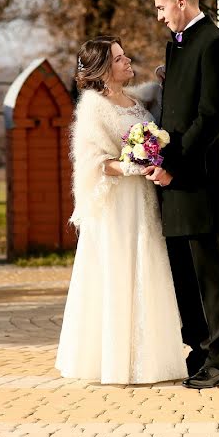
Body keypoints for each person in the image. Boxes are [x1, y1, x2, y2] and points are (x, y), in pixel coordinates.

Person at [55, 35, 187, 385]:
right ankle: (111, 362)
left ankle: (152, 362)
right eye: (118, 58)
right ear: (102, 68)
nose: (127, 61)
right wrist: (130, 165)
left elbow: (160, 111)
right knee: (117, 272)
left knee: (146, 267)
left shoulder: (137, 99)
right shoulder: (93, 107)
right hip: (114, 207)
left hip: (141, 202)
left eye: (125, 55)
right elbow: (93, 162)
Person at [146, 0, 219, 390]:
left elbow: (210, 119)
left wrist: (175, 166)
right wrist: (158, 159)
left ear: (181, 3)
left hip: (200, 178)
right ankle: (198, 353)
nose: (159, 17)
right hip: (175, 179)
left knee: (209, 271)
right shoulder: (178, 47)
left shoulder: (216, 45)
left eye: (161, 7)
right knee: (183, 273)